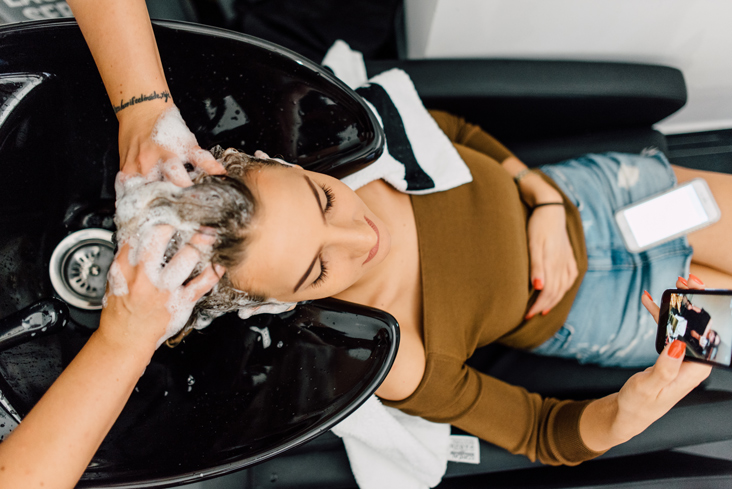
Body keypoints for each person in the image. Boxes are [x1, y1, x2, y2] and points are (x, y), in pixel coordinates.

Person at [0, 0, 725, 486]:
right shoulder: (394, 350)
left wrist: (535, 195)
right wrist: (637, 405)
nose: (361, 234)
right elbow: (544, 432)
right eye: (319, 266)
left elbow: (458, 132)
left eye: (322, 200)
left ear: (290, 165)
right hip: (614, 309)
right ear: (274, 305)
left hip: (596, 195)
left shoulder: (354, 145)